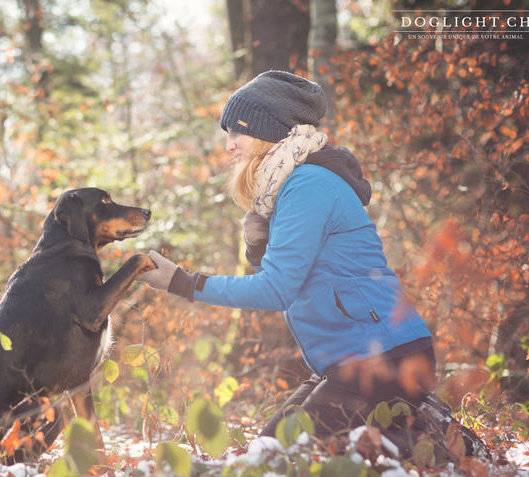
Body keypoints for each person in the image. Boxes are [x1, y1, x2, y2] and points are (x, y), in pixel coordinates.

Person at [138, 71, 437, 439]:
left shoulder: (307, 185)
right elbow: (303, 277)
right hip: (351, 360)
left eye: (236, 132)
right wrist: (260, 249)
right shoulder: (290, 186)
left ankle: (425, 438)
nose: (229, 146)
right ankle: (407, 431)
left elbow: (277, 290)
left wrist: (183, 282)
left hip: (384, 358)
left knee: (278, 460)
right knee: (269, 450)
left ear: (268, 132)